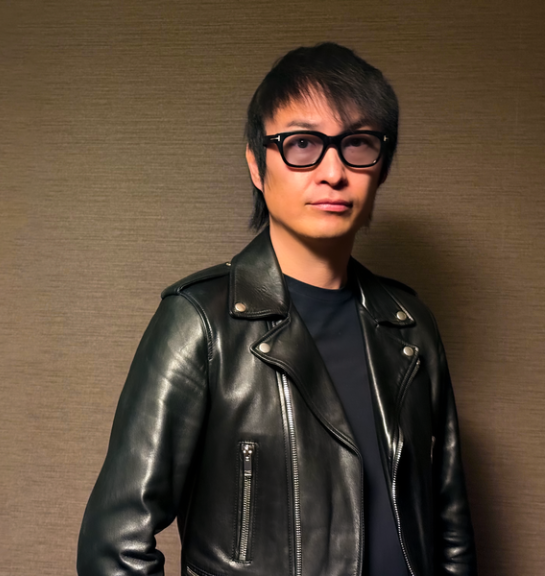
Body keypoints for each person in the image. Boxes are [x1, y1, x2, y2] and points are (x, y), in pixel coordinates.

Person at [77, 42, 477, 576]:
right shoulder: (200, 321)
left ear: (380, 168)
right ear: (257, 165)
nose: (333, 171)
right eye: (303, 144)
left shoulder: (410, 325)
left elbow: (451, 530)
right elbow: (113, 547)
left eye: (358, 144)